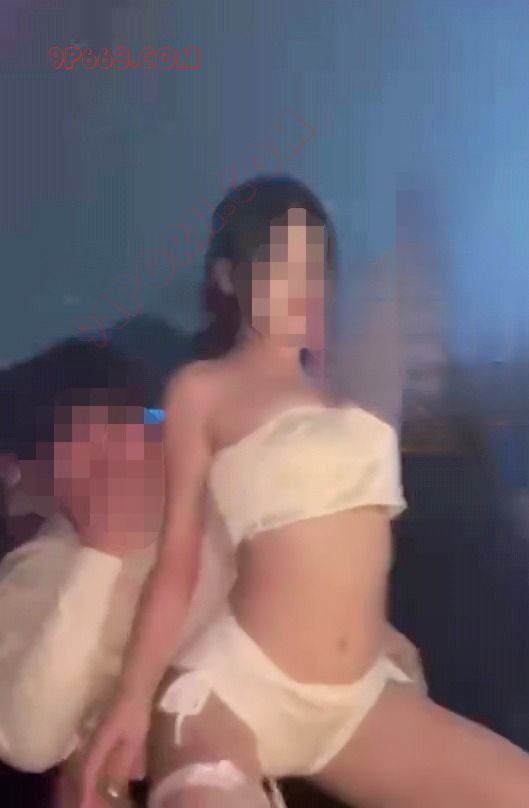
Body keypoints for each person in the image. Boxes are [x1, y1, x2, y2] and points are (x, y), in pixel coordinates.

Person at [76, 174, 529, 808]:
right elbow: (177, 562)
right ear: (230, 277)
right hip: (237, 692)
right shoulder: (204, 390)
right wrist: (130, 699)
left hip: (360, 701)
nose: (301, 286)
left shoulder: (348, 388)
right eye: (277, 265)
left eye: (314, 267)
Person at [0, 340, 235, 805]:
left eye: (134, 422)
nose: (128, 447)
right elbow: (28, 741)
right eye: (91, 438)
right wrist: (99, 554)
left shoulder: (223, 506)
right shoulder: (43, 569)